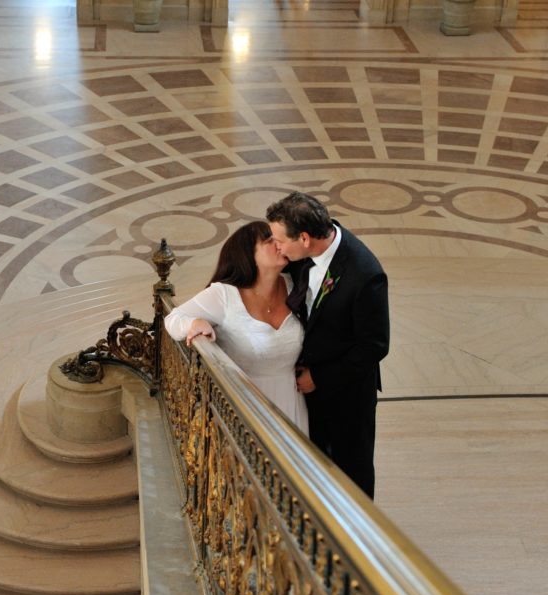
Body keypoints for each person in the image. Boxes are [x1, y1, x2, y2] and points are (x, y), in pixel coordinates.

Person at [266, 191, 389, 499]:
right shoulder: (300, 256)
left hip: (347, 394)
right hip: (306, 387)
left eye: (279, 240)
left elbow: (374, 345)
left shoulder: (366, 274)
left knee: (352, 471)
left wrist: (319, 378)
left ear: (305, 238)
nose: (275, 246)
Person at [164, 220, 308, 432]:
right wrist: (194, 323)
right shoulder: (224, 295)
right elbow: (172, 319)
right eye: (270, 241)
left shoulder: (296, 286)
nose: (280, 244)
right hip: (245, 407)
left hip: (292, 401)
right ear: (248, 254)